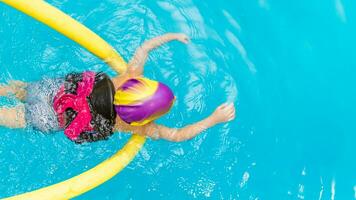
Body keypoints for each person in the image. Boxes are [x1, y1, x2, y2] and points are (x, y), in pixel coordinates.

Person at [0, 33, 236, 143]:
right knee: (12, 116)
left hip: (51, 90)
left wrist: (173, 37)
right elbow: (176, 135)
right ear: (145, 118)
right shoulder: (136, 127)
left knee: (19, 89)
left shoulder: (130, 75)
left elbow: (144, 48)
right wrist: (213, 119)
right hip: (47, 118)